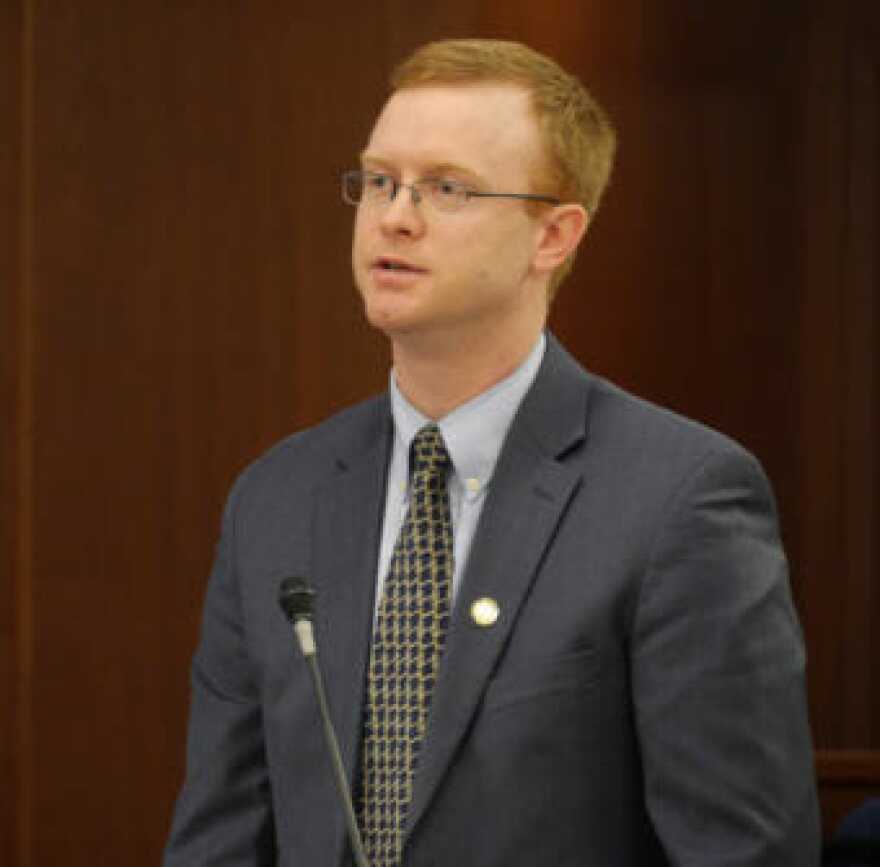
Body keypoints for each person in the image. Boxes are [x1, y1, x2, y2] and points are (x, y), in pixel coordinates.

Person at [163, 38, 821, 867]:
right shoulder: (277, 498)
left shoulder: (679, 498)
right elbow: (221, 836)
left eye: (447, 187)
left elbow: (742, 852)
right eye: (378, 180)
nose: (394, 215)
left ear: (553, 234)